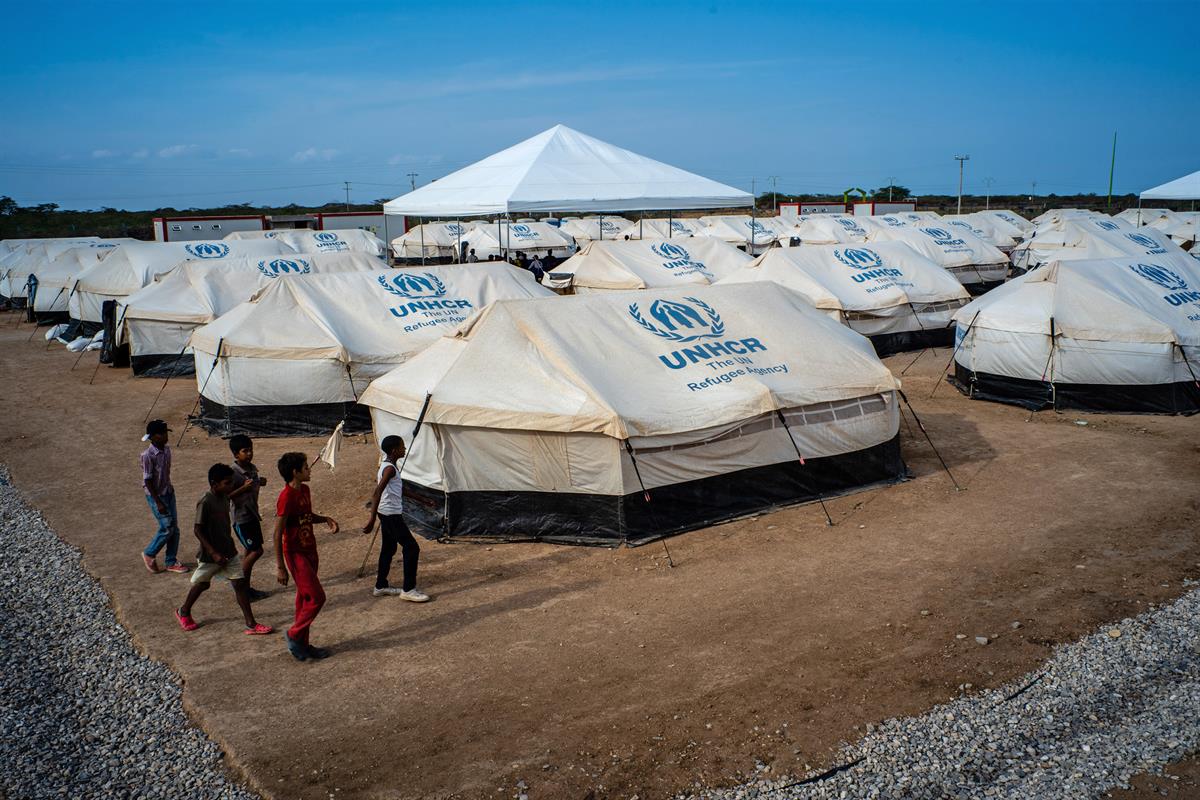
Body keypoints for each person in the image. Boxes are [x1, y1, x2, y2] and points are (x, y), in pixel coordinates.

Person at [175, 464, 273, 636]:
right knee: (203, 584)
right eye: (227, 483)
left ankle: (251, 624)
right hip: (210, 554)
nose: (231, 486)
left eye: (232, 482)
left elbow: (232, 495)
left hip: (228, 550)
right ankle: (184, 611)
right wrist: (213, 553)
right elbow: (197, 530)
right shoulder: (206, 501)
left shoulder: (224, 496)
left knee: (240, 584)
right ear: (214, 484)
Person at [273, 452, 339, 661]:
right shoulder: (286, 497)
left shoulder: (305, 490)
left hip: (310, 549)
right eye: (306, 467)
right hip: (295, 553)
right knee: (317, 597)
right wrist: (281, 567)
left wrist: (325, 519)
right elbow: (277, 533)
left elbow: (306, 517)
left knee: (304, 599)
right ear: (295, 472)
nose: (309, 470)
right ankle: (294, 634)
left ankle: (303, 644)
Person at [362, 436, 430, 602]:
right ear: (394, 451)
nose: (404, 449)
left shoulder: (389, 466)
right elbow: (377, 492)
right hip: (391, 515)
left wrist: (423, 499)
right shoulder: (389, 469)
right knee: (411, 548)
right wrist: (371, 519)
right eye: (402, 447)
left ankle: (380, 586)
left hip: (387, 513)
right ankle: (409, 589)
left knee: (388, 548)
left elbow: (400, 488)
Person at [140, 419, 189, 574]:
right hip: (156, 496)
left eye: (166, 433)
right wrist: (158, 502)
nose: (165, 436)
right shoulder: (148, 455)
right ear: (153, 437)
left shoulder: (167, 450)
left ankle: (171, 561)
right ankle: (149, 553)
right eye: (162, 434)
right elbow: (147, 480)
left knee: (175, 529)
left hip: (168, 492)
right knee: (167, 527)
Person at [227, 434, 268, 600]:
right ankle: (238, 583)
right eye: (245, 451)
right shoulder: (233, 473)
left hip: (252, 515)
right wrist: (242, 489)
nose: (250, 454)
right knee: (257, 551)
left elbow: (253, 484)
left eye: (251, 450)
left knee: (249, 552)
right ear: (236, 454)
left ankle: (246, 588)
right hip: (241, 519)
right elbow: (226, 496)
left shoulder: (251, 469)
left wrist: (260, 482)